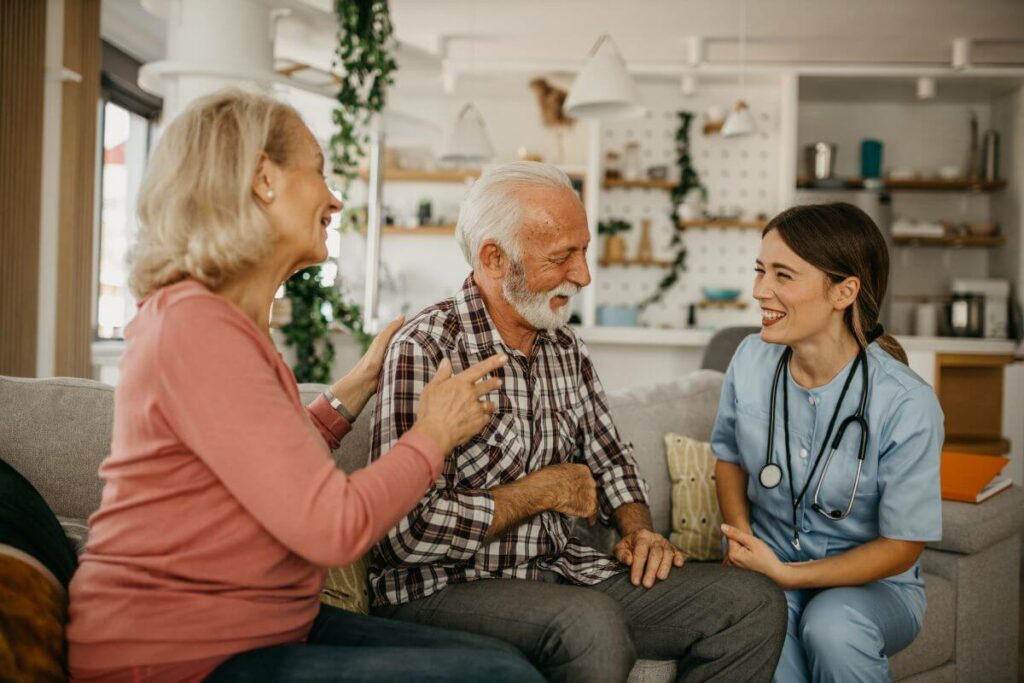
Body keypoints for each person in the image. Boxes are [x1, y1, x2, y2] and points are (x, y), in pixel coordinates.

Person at [65, 89, 542, 683]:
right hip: (177, 658)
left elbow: (264, 467)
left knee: (503, 664)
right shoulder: (197, 330)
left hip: (257, 632)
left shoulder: (214, 323)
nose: (335, 198)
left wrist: (355, 387)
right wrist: (434, 433)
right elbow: (331, 525)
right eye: (318, 171)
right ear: (263, 178)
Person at [368, 161, 788, 682]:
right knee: (588, 623)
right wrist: (538, 492)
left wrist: (638, 530)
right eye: (562, 256)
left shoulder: (565, 346)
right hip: (445, 588)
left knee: (750, 600)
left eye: (583, 250)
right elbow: (400, 535)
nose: (584, 275)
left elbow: (612, 460)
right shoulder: (427, 348)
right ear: (494, 258)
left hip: (562, 576)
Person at [711, 202, 944, 683]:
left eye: (783, 275)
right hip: (769, 572)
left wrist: (789, 575)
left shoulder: (905, 403)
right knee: (769, 642)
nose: (760, 291)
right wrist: (747, 546)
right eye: (759, 271)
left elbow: (902, 545)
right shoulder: (751, 360)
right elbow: (729, 459)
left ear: (845, 291)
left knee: (832, 626)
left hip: (873, 587)